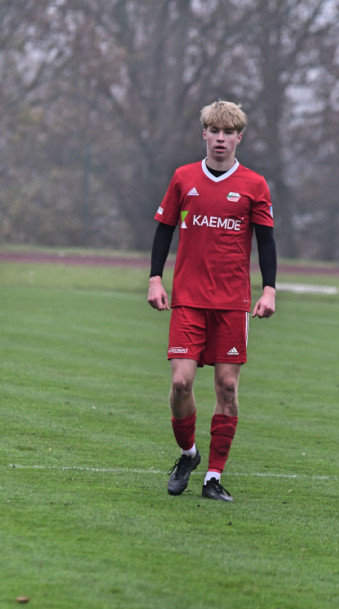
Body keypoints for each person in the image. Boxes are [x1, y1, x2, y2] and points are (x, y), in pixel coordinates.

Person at [147, 100, 276, 502]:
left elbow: (266, 242)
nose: (220, 139)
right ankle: (188, 454)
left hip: (232, 305)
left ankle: (213, 477)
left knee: (227, 387)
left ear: (240, 137)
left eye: (228, 133)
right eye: (214, 131)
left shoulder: (255, 185)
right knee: (181, 382)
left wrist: (269, 288)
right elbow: (164, 231)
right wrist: (155, 278)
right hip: (187, 300)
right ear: (204, 134)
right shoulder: (184, 178)